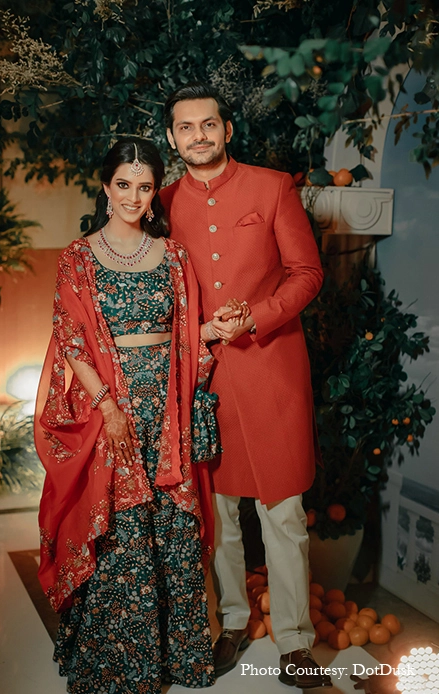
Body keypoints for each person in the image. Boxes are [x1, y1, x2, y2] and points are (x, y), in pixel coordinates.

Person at [34, 137, 225, 693]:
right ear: (105, 186)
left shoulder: (174, 256)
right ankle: (119, 666)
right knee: (120, 529)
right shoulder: (77, 257)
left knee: (170, 525)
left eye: (145, 187)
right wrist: (107, 406)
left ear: (154, 191)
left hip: (167, 408)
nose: (133, 197)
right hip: (110, 407)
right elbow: (72, 340)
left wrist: (219, 328)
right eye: (124, 185)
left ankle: (176, 658)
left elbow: (184, 333)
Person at [160, 83, 332, 689]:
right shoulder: (162, 203)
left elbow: (307, 272)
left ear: (227, 129)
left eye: (208, 124)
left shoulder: (272, 186)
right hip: (203, 378)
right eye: (186, 127)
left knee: (283, 511)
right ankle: (231, 622)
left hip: (272, 371)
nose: (198, 136)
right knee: (218, 512)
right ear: (172, 137)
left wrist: (256, 317)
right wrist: (198, 333)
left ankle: (295, 640)